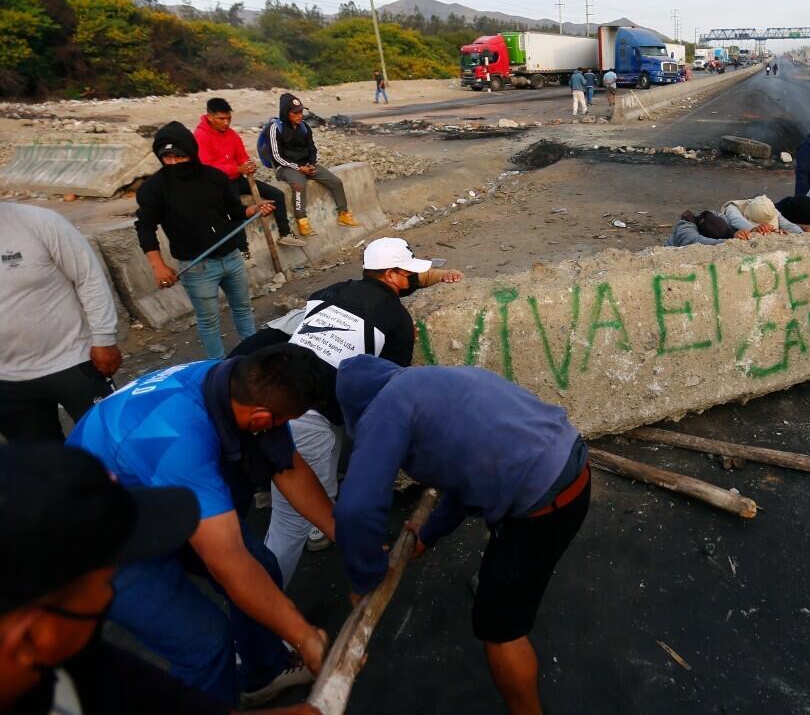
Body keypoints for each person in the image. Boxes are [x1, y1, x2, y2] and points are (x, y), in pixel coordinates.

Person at [68, 345, 337, 706]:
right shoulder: (180, 440)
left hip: (154, 496)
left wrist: (344, 534)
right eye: (285, 421)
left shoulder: (235, 379)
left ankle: (263, 675)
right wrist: (305, 637)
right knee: (204, 643)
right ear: (260, 418)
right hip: (99, 536)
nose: (283, 428)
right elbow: (229, 564)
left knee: (262, 566)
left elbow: (286, 466)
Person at [334, 356, 592, 715]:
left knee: (499, 631)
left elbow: (356, 509)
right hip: (572, 469)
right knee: (506, 577)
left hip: (542, 503)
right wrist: (430, 532)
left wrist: (365, 578)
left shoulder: (385, 408)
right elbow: (465, 472)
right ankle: (502, 586)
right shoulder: (434, 384)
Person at [0, 443, 319, 715]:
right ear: (28, 637)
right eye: (106, 584)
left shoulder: (69, 654)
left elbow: (156, 699)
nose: (110, 595)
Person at [229, 238, 463, 585]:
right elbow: (385, 383)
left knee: (308, 460)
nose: (413, 278)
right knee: (293, 517)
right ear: (392, 275)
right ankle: (267, 597)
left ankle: (298, 515)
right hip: (307, 413)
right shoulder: (395, 318)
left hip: (273, 392)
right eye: (408, 272)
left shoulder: (331, 290)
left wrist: (438, 275)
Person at [138, 121, 270, 359]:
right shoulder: (153, 189)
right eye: (166, 158)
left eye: (179, 157)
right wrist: (158, 266)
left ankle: (253, 357)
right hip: (197, 267)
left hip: (231, 257)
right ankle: (217, 368)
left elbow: (236, 211)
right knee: (209, 321)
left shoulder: (215, 177)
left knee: (242, 309)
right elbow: (145, 228)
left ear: (191, 152)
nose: (173, 163)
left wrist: (254, 210)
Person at [0, 203, 118, 442]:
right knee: (43, 468)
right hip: (8, 381)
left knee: (113, 445)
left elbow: (88, 277)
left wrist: (104, 338)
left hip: (74, 360)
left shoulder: (40, 222)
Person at [195, 98, 305, 249]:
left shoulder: (231, 134)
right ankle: (244, 251)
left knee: (277, 195)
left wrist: (248, 164)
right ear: (210, 116)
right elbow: (207, 166)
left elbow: (241, 156)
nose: (226, 123)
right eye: (221, 119)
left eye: (228, 118)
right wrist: (237, 169)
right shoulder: (201, 135)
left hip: (237, 179)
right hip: (219, 184)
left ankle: (285, 234)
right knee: (235, 210)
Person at [268, 93, 360, 238]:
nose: (300, 115)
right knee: (299, 184)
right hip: (286, 167)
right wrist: (298, 168)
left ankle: (343, 214)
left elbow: (312, 148)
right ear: (286, 113)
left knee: (335, 181)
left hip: (306, 164)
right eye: (295, 113)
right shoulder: (275, 128)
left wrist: (311, 164)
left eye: (301, 112)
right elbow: (277, 156)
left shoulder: (304, 127)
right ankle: (302, 220)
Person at [722, 195, 806, 234]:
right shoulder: (732, 208)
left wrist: (801, 234)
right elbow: (736, 220)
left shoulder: (768, 207)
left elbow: (787, 224)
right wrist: (754, 229)